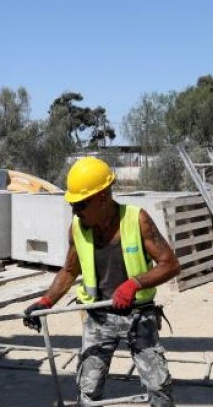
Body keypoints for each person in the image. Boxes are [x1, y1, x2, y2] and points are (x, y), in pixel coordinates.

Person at [22, 156, 180, 407]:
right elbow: (68, 271)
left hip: (138, 315)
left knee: (158, 387)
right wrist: (46, 301)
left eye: (81, 204)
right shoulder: (77, 227)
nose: (75, 211)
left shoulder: (137, 220)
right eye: (73, 205)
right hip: (98, 316)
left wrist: (134, 284)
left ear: (103, 197)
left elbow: (170, 264)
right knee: (88, 388)